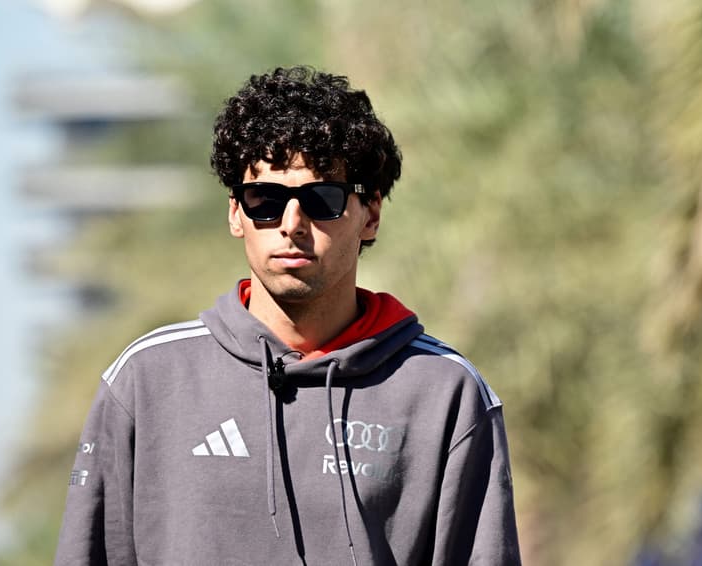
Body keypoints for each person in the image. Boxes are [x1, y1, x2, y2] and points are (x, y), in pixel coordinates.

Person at [54, 65, 521, 565]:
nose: (292, 224)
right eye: (266, 200)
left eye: (322, 199)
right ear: (236, 213)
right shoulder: (146, 381)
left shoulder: (445, 392)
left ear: (371, 213)